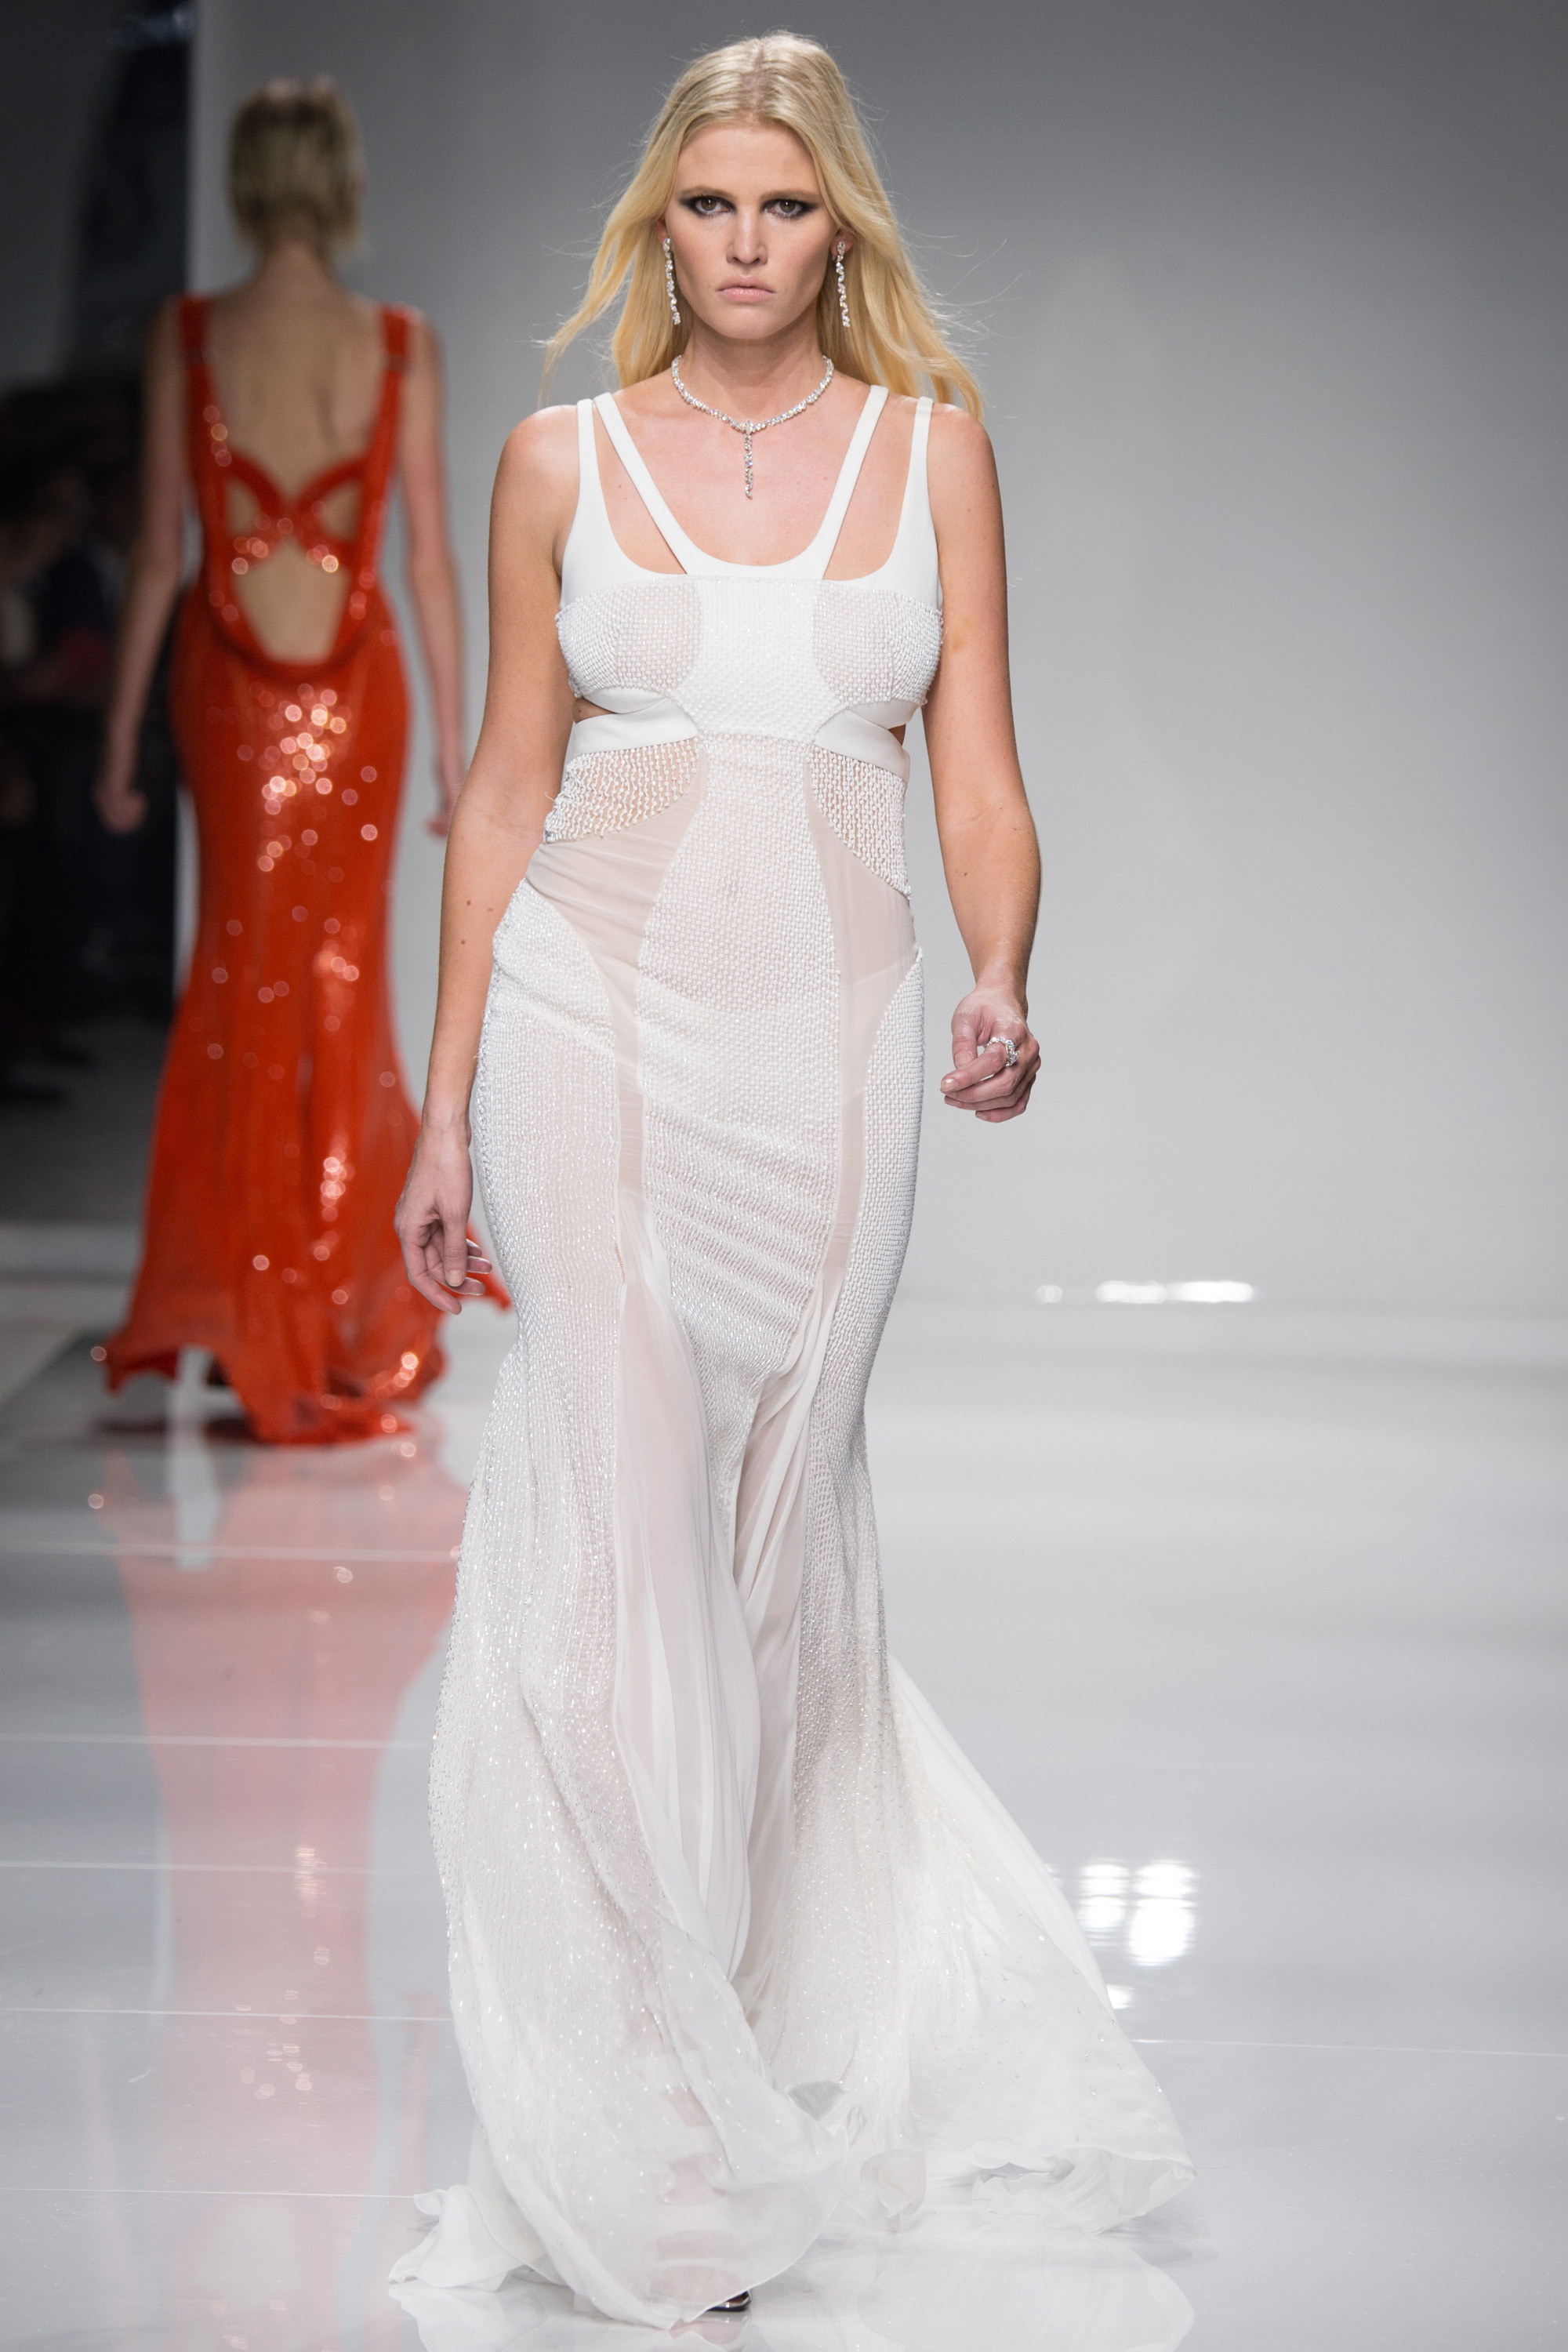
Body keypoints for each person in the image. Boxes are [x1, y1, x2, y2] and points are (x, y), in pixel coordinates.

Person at [390, 33, 1192, 2327]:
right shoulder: (553, 460)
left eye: (787, 206)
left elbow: (980, 774)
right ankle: (649, 2139)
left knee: (763, 1566)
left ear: (843, 226)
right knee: (619, 1538)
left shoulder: (937, 453)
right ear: (659, 226)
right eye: (710, 206)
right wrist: (443, 1104)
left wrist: (1005, 974)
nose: (746, 245)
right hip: (589, 1025)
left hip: (831, 1050)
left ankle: (731, 2037)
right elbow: (503, 789)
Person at [95, 78, 496, 1443]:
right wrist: (453, 744)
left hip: (227, 689)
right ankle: (325, 1308)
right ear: (343, 181)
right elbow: (426, 561)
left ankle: (255, 1305)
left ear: (245, 180)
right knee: (337, 983)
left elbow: (160, 546)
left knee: (239, 977)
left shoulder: (189, 335)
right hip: (361, 692)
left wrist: (118, 734)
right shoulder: (398, 344)